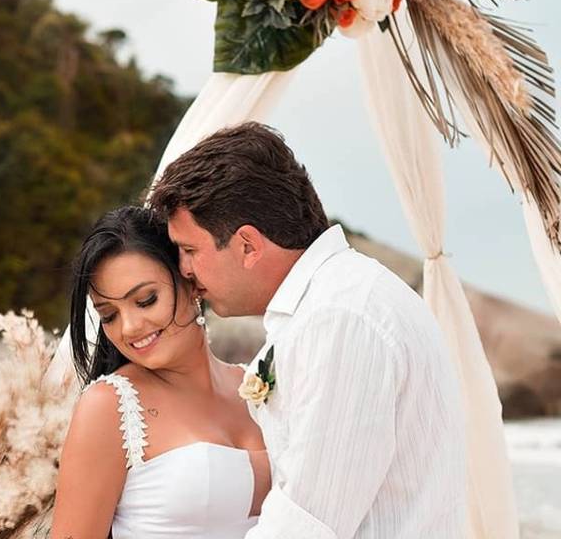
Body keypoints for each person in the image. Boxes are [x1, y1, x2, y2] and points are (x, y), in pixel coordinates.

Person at [148, 121, 468, 539]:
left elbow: (306, 525)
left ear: (248, 245)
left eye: (190, 250)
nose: (184, 270)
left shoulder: (340, 316)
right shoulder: (334, 301)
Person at [50, 205, 271, 538]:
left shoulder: (257, 385)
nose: (129, 327)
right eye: (109, 315)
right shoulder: (109, 407)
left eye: (146, 300)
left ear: (189, 280)